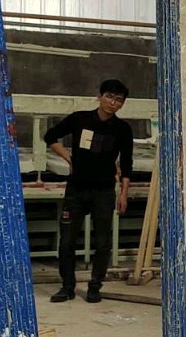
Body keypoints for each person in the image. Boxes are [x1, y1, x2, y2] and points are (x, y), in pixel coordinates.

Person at [44, 80, 134, 303]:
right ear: (100, 97)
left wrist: (123, 193)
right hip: (76, 189)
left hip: (104, 191)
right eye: (109, 97)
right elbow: (50, 137)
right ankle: (67, 287)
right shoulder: (79, 119)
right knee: (67, 241)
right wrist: (69, 158)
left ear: (122, 104)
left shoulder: (122, 129)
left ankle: (95, 286)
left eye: (119, 100)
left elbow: (127, 163)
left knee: (102, 243)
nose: (113, 103)